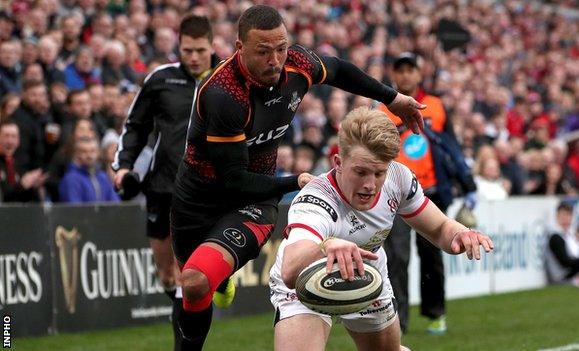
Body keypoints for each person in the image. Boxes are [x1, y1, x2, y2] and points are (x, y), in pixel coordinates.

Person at [171, 5, 426, 351]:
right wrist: (295, 181)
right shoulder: (224, 95)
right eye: (263, 51)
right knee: (192, 285)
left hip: (253, 203)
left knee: (196, 280)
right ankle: (219, 277)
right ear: (238, 48)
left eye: (281, 48)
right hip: (200, 199)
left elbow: (337, 69)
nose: (275, 59)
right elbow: (233, 179)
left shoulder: (296, 63)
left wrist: (391, 97)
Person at [269, 107, 493, 351]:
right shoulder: (315, 199)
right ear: (339, 163)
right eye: (361, 172)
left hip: (366, 275)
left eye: (379, 173)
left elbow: (439, 227)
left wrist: (460, 234)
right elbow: (290, 269)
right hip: (306, 278)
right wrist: (325, 246)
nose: (370, 185)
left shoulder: (399, 178)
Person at [111, 14, 220, 351]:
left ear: (211, 46)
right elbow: (135, 126)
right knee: (166, 275)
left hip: (204, 190)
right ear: (179, 46)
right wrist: (122, 166)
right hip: (160, 185)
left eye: (200, 50)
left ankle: (184, 346)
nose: (194, 57)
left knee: (188, 276)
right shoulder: (161, 79)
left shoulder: (226, 79)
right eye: (187, 50)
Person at [380, 52, 478, 334]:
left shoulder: (435, 106)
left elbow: (452, 148)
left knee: (432, 257)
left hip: (431, 191)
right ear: (394, 76)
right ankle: (398, 322)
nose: (406, 75)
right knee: (396, 259)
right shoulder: (383, 109)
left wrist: (467, 183)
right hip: (394, 195)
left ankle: (436, 314)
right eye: (401, 70)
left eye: (411, 69)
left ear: (419, 74)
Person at [58, 136, 119, 203]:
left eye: (92, 151)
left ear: (98, 153)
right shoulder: (71, 179)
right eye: (84, 151)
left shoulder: (103, 177)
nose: (89, 155)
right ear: (76, 154)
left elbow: (116, 205)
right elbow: (74, 210)